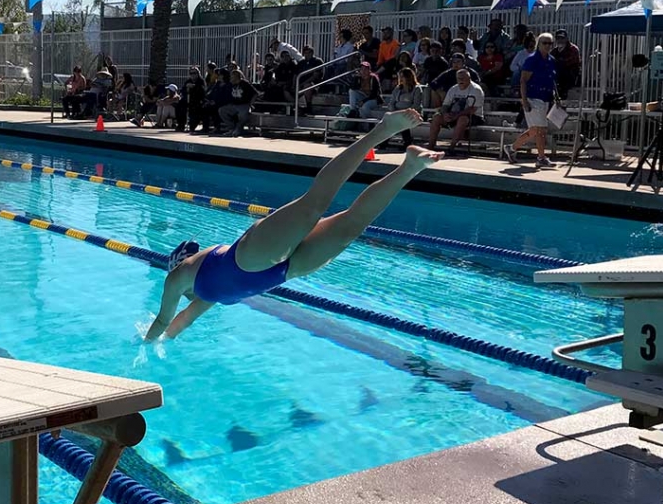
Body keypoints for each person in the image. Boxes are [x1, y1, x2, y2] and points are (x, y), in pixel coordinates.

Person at [145, 111, 441, 340]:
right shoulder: (205, 297)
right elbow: (180, 322)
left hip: (252, 256)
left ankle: (382, 130)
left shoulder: (179, 276)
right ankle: (410, 168)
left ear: (176, 263)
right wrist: (160, 343)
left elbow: (163, 320)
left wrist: (143, 345)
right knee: (353, 224)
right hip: (284, 271)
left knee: (316, 202)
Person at [505, 32, 558, 168]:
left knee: (535, 130)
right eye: (544, 43)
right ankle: (541, 157)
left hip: (546, 98)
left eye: (550, 43)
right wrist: (524, 100)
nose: (547, 46)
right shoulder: (532, 59)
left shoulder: (551, 60)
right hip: (533, 98)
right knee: (540, 130)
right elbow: (523, 80)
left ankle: (511, 148)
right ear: (538, 44)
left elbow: (552, 80)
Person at [427, 69, 485, 154]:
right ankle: (430, 146)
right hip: (454, 114)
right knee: (436, 117)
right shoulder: (454, 89)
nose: (461, 80)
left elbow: (472, 109)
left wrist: (456, 116)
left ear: (469, 78)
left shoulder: (476, 89)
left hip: (473, 116)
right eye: (459, 78)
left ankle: (451, 148)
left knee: (462, 119)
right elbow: (445, 105)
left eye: (463, 78)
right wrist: (445, 114)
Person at [378, 68, 423, 150]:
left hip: (412, 112)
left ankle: (405, 143)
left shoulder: (416, 89)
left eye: (403, 76)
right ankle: (386, 142)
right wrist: (394, 111)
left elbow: (416, 104)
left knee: (401, 121)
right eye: (400, 76)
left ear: (409, 77)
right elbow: (391, 102)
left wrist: (405, 112)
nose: (401, 79)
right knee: (392, 120)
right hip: (397, 112)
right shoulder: (398, 88)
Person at [219, 69, 257, 136]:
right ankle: (232, 128)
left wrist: (251, 104)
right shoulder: (231, 84)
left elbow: (255, 93)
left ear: (236, 77)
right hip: (234, 105)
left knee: (242, 116)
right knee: (222, 111)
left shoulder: (245, 84)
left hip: (244, 104)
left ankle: (238, 129)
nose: (230, 78)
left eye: (232, 77)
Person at [200, 68, 232, 133]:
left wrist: (215, 102)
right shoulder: (218, 84)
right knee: (204, 107)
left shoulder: (228, 85)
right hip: (214, 102)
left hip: (223, 103)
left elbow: (226, 98)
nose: (218, 76)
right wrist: (207, 99)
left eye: (220, 75)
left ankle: (217, 127)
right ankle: (205, 127)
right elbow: (212, 93)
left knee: (214, 109)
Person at [551, 30, 581, 98]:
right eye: (558, 38)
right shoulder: (554, 51)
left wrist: (559, 62)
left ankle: (561, 92)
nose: (560, 40)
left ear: (566, 39)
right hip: (558, 76)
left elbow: (570, 62)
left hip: (570, 76)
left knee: (561, 65)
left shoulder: (573, 49)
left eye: (562, 38)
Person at [296, 45, 325, 112]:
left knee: (307, 86)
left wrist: (303, 84)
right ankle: (294, 107)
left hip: (315, 84)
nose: (307, 55)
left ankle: (308, 106)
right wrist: (295, 84)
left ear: (312, 53)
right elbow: (296, 75)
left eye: (309, 53)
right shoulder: (301, 63)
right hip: (300, 84)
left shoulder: (317, 61)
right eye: (305, 53)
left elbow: (315, 76)